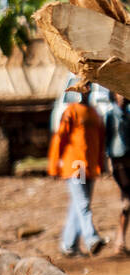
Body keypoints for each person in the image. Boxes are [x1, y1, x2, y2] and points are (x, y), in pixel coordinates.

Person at [49, 81, 106, 256]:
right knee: (83, 204)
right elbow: (60, 139)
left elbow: (100, 142)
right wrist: (54, 166)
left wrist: (100, 165)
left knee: (77, 205)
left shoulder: (94, 114)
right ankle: (91, 239)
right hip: (77, 166)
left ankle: (69, 245)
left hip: (89, 167)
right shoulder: (71, 112)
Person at [106, 92, 130, 253]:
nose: (120, 96)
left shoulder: (128, 114)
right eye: (117, 93)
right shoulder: (110, 115)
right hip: (118, 162)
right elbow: (107, 140)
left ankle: (120, 241)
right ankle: (119, 241)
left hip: (128, 160)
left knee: (127, 203)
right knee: (127, 200)